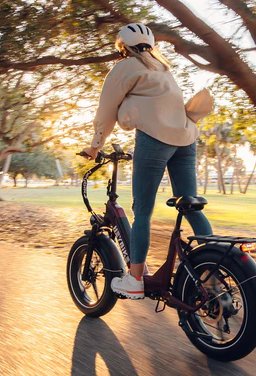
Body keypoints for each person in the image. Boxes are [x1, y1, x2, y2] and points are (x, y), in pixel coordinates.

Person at [82, 23, 213, 299]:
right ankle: (215, 267)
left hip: (154, 139)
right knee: (190, 205)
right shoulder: (163, 68)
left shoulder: (125, 67)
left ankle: (135, 279)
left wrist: (95, 146)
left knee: (142, 211)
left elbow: (107, 109)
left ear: (123, 47)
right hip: (186, 139)